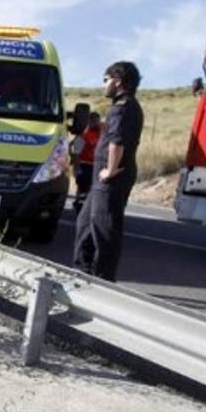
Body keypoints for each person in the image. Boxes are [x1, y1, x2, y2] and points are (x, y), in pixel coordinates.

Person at [73, 62, 144, 281]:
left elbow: (117, 142)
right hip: (102, 178)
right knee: (85, 223)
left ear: (118, 80)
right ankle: (81, 272)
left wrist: (110, 171)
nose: (104, 85)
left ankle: (102, 279)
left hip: (110, 178)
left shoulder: (122, 107)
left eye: (106, 80)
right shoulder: (125, 105)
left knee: (105, 228)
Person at [72, 112, 103, 215]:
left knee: (93, 189)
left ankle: (88, 207)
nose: (95, 122)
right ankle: (79, 206)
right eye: (92, 120)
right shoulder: (83, 135)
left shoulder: (102, 133)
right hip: (85, 165)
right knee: (82, 188)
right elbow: (76, 153)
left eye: (96, 120)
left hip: (97, 166)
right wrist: (77, 169)